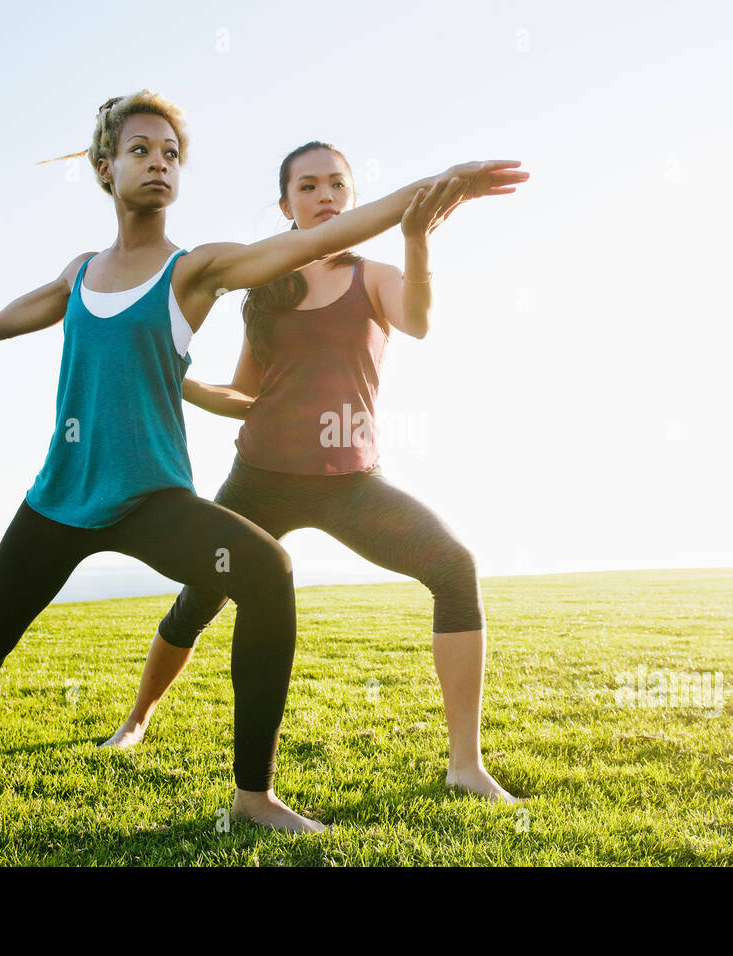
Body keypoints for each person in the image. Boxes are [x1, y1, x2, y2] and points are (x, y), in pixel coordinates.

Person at [0, 91, 526, 834]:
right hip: (62, 497)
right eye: (140, 150)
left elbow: (328, 239)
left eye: (170, 154)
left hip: (156, 497)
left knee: (267, 574)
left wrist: (439, 185)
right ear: (104, 169)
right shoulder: (80, 273)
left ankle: (254, 797)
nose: (158, 163)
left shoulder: (199, 269)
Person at [101, 141, 516, 802]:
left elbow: (418, 322)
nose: (325, 197)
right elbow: (246, 394)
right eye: (308, 186)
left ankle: (465, 765)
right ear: (286, 202)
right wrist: (177, 381)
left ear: (351, 197)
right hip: (260, 477)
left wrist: (415, 238)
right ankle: (136, 720)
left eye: (336, 186)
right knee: (201, 596)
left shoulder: (373, 275)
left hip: (350, 481)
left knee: (453, 567)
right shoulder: (264, 287)